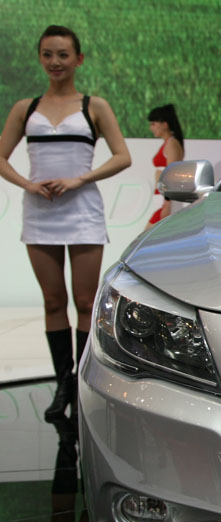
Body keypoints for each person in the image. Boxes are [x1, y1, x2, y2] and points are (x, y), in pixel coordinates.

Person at [0, 25, 131, 420]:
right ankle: (62, 383)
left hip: (82, 209)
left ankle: (84, 384)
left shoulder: (95, 106)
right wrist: (27, 184)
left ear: (78, 59)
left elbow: (122, 156)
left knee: (86, 301)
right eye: (47, 54)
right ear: (40, 58)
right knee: (53, 301)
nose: (55, 62)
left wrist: (79, 179)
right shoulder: (26, 108)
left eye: (62, 54)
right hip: (39, 211)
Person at [145, 103, 184, 227]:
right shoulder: (168, 143)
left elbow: (171, 176)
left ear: (165, 124)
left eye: (153, 124)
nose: (151, 128)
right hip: (161, 200)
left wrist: (167, 204)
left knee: (148, 235)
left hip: (165, 202)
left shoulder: (171, 144)